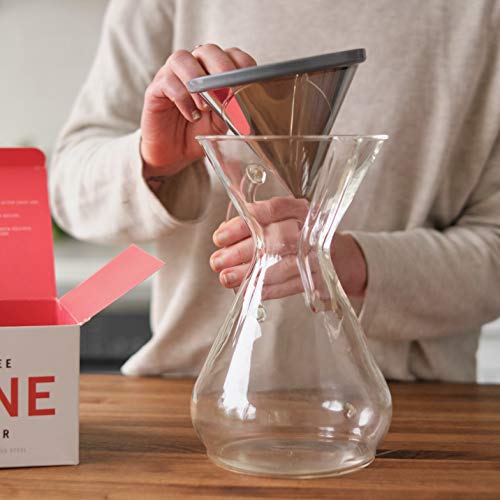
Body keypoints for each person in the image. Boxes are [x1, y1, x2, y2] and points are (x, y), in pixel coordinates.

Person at [50, 0, 500, 382]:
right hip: (195, 388)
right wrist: (155, 160)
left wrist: (350, 263)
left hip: (415, 405)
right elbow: (69, 194)